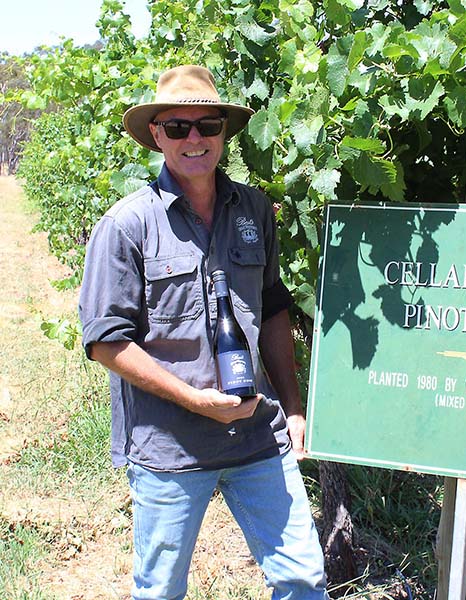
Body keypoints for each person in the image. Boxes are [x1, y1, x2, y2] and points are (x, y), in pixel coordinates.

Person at [79, 65, 329, 600]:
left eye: (207, 125)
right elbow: (105, 341)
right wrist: (195, 400)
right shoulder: (127, 225)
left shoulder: (255, 209)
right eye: (177, 128)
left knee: (303, 578)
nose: (194, 138)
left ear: (223, 133)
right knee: (162, 590)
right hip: (170, 446)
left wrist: (295, 406)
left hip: (258, 434)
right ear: (156, 135)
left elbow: (273, 307)